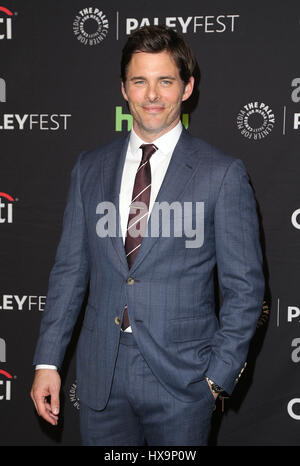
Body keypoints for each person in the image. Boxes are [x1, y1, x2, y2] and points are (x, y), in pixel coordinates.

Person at [30, 25, 265, 446]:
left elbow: (245, 288)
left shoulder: (221, 174)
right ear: (124, 88)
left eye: (165, 81)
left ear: (187, 87)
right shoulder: (89, 168)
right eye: (140, 81)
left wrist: (216, 378)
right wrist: (48, 361)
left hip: (184, 381)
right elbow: (69, 272)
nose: (152, 95)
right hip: (102, 377)